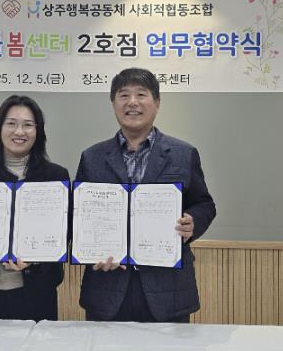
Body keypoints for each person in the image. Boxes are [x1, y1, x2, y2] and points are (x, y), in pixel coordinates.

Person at [76, 68, 216, 322]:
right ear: (113, 103)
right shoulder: (92, 157)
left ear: (157, 102)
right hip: (107, 288)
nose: (132, 102)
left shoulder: (183, 153)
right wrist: (91, 250)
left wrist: (193, 222)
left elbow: (204, 204)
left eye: (141, 94)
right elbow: (79, 215)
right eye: (124, 95)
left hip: (168, 290)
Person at [0, 95, 69, 321]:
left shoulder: (55, 176)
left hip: (38, 294)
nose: (19, 131)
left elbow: (64, 233)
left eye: (28, 125)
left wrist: (35, 259)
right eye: (11, 123)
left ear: (38, 132)